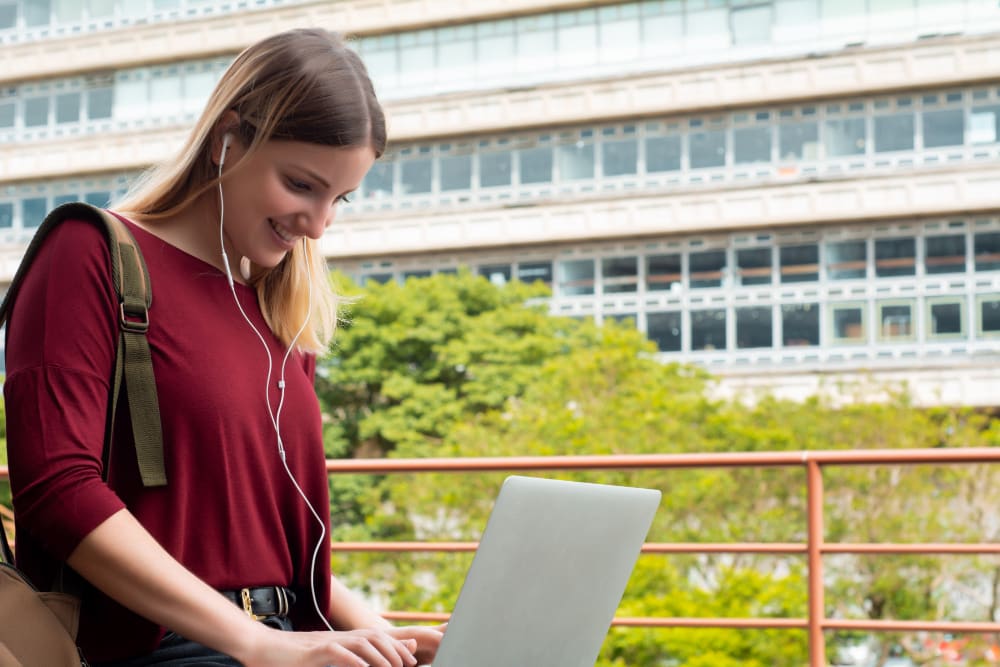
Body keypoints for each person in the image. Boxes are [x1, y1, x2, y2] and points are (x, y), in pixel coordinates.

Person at [4, 28, 443, 667]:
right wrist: (260, 644)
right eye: (301, 184)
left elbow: (267, 545)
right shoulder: (90, 252)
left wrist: (388, 637)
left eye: (339, 198)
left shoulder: (281, 310)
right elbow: (58, 489)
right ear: (227, 138)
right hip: (155, 648)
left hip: (283, 636)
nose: (320, 225)